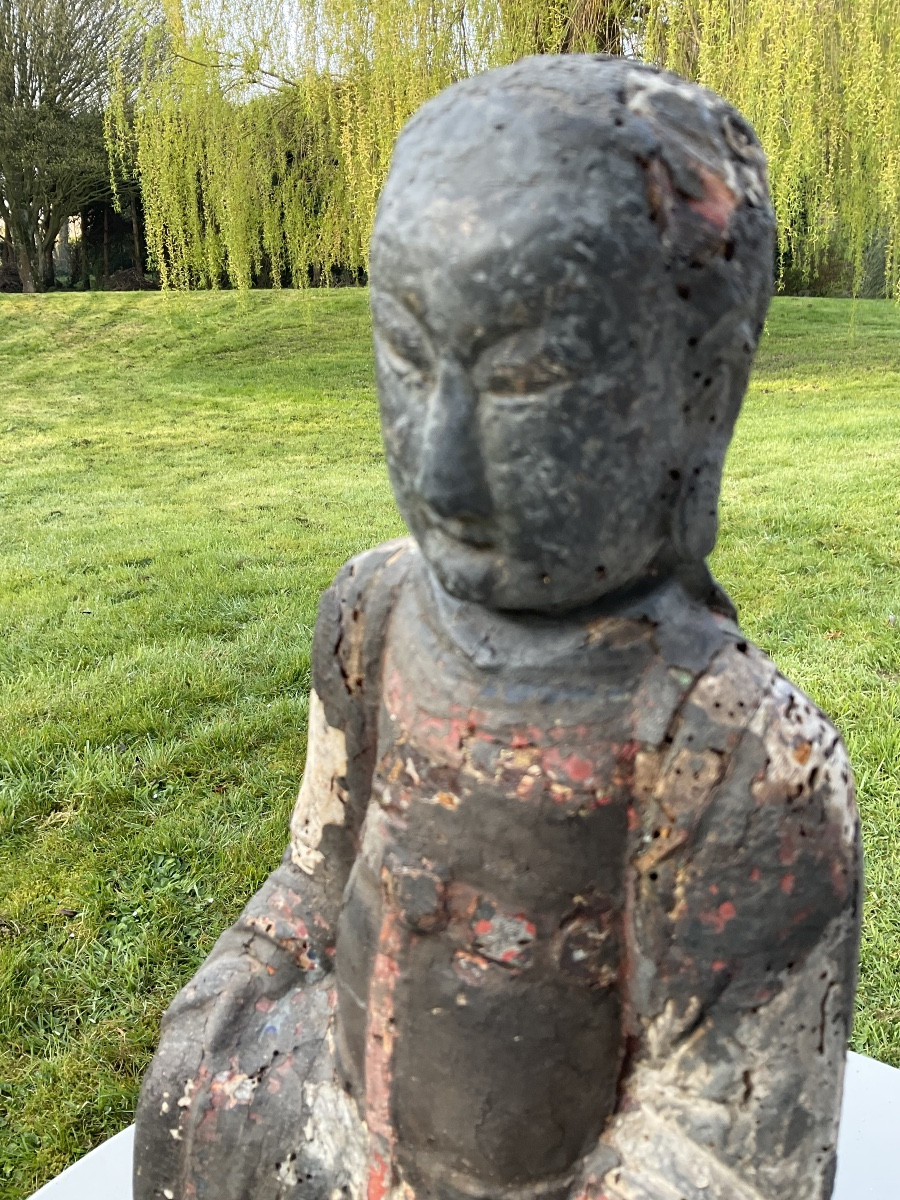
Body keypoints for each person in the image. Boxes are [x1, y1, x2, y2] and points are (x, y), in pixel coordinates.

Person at [134, 55, 861, 1200]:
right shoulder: (370, 617)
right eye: (408, 361)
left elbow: (727, 1154)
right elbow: (314, 883)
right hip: (329, 1130)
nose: (441, 467)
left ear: (701, 392)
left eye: (525, 381)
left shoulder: (737, 758)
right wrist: (223, 1033)